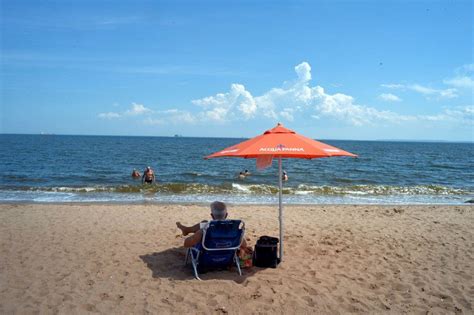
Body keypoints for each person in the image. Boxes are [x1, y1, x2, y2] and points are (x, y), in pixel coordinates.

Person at [176, 201, 248, 252]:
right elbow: (244, 245)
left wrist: (198, 233)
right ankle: (187, 229)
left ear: (212, 216)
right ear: (226, 215)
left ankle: (187, 230)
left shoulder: (205, 230)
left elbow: (186, 244)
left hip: (208, 257)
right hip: (227, 256)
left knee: (205, 223)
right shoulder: (233, 230)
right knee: (205, 223)